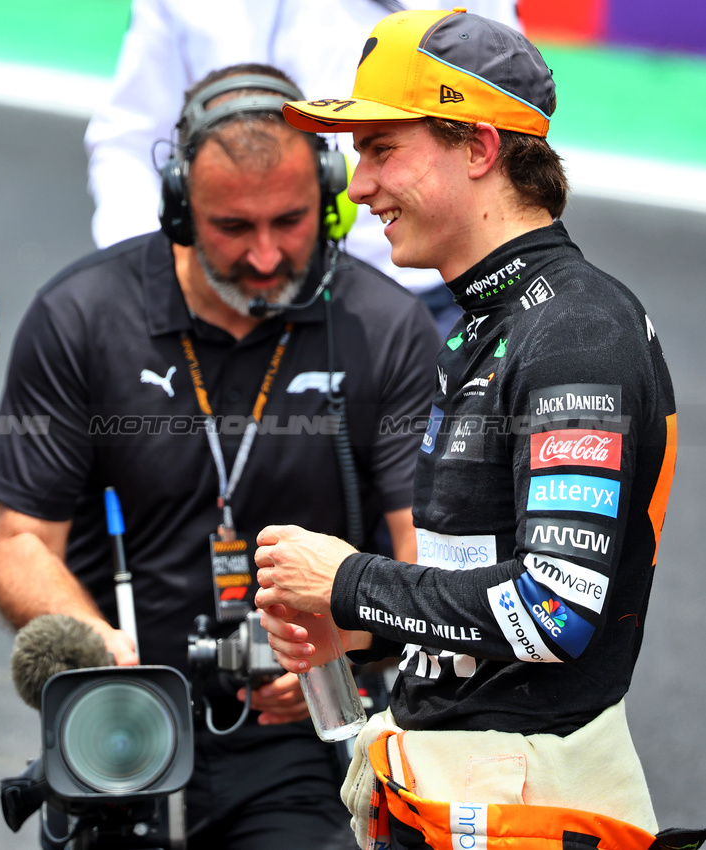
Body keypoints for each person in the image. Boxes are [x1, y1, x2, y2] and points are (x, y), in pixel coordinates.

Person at [0, 65, 438, 849]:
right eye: (233, 227)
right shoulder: (82, 316)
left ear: (327, 193)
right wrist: (98, 649)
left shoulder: (385, 328)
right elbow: (19, 541)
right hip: (125, 731)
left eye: (290, 221)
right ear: (179, 208)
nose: (265, 256)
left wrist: (339, 645)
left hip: (309, 736)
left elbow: (424, 558)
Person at [254, 9, 679, 848]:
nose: (356, 184)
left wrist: (352, 583)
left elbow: (555, 609)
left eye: (381, 149)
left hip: (529, 806)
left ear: (479, 148)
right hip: (474, 795)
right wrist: (368, 627)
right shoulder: (493, 321)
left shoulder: (573, 336)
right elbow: (484, 580)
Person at [84, 0, 518, 333]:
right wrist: (152, 281)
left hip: (424, 296)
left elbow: (506, 122)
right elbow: (129, 141)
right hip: (230, 293)